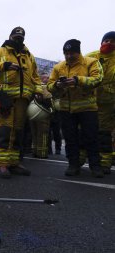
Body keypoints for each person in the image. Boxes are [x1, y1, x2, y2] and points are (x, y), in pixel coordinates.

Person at [0, 26, 42, 178]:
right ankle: (2, 164)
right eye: (16, 38)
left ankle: (13, 162)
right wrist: (3, 66)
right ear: (10, 36)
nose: (18, 40)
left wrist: (39, 92)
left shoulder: (29, 56)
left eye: (21, 38)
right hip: (4, 98)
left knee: (18, 132)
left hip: (23, 99)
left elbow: (35, 78)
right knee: (4, 130)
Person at [47, 39, 104, 178]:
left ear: (78, 52)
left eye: (72, 53)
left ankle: (95, 166)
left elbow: (98, 79)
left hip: (88, 109)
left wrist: (77, 80)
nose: (69, 56)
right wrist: (57, 86)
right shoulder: (58, 67)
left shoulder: (91, 62)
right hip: (66, 110)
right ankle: (73, 165)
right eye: (66, 53)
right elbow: (49, 85)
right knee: (70, 139)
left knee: (91, 137)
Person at [84, 31, 115, 175]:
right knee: (84, 130)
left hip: (109, 104)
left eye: (112, 41)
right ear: (101, 42)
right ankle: (78, 159)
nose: (109, 43)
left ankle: (104, 163)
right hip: (88, 101)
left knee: (104, 133)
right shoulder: (91, 56)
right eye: (106, 40)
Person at [30, 72, 53, 158]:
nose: (48, 79)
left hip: (32, 114)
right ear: (42, 79)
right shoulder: (45, 88)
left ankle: (35, 151)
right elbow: (49, 101)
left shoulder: (33, 87)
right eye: (47, 78)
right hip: (43, 114)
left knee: (34, 133)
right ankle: (42, 153)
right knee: (43, 134)